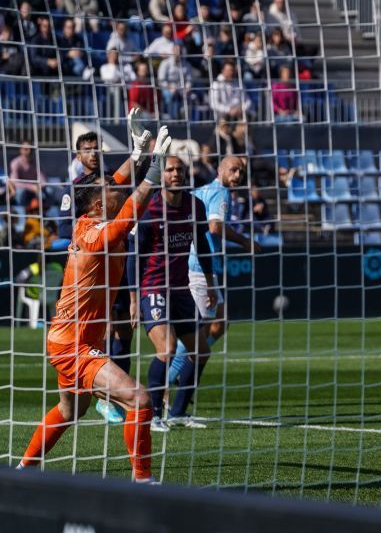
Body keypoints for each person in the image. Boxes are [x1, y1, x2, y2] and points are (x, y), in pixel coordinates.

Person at [16, 124, 167, 482]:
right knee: (140, 400)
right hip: (75, 345)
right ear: (100, 203)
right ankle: (143, 483)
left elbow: (116, 182)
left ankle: (22, 471)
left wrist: (138, 153)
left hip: (69, 338)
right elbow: (129, 215)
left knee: (70, 410)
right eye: (111, 190)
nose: (117, 188)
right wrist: (155, 167)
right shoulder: (96, 234)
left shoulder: (93, 217)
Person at [128, 155, 216, 432]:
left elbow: (203, 246)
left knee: (201, 352)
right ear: (161, 175)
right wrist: (134, 299)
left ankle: (177, 412)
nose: (175, 174)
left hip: (181, 289)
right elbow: (134, 258)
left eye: (179, 169)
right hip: (153, 288)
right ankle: (154, 415)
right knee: (166, 349)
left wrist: (211, 284)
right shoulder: (150, 209)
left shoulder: (195, 206)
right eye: (170, 170)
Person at [166, 157, 259, 386]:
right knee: (196, 332)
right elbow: (215, 227)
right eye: (233, 170)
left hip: (198, 264)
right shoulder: (220, 192)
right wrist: (245, 241)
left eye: (241, 172)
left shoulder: (202, 191)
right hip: (199, 267)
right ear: (220, 170)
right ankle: (165, 384)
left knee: (220, 322)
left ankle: (183, 370)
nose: (237, 175)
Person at [8, 141, 47, 208]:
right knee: (21, 193)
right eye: (26, 149)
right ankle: (22, 212)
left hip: (35, 189)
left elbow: (43, 180)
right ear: (20, 150)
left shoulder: (36, 163)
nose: (29, 151)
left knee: (49, 192)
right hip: (22, 189)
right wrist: (31, 187)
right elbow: (15, 182)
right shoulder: (15, 163)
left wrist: (39, 186)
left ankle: (45, 211)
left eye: (30, 149)